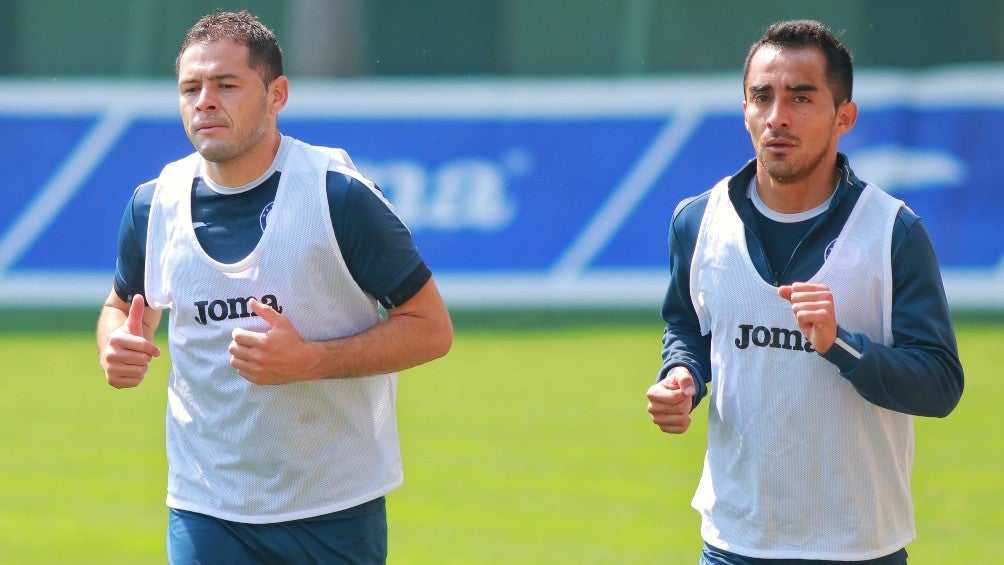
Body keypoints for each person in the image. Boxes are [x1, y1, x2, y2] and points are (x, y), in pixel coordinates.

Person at [96, 10, 453, 564]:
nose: (205, 101)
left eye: (227, 84)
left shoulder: (339, 196)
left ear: (276, 94)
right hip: (205, 506)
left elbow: (431, 331)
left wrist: (308, 360)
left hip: (334, 506)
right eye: (191, 87)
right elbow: (121, 307)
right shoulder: (154, 202)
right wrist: (115, 344)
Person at [645, 19, 963, 565]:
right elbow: (688, 328)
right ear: (743, 110)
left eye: (800, 97)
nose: (777, 117)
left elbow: (939, 385)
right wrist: (683, 378)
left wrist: (841, 345)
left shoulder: (893, 231)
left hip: (860, 547)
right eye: (761, 97)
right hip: (732, 544)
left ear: (844, 116)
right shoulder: (697, 222)